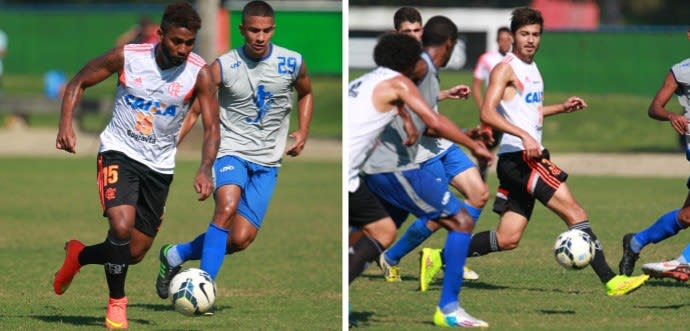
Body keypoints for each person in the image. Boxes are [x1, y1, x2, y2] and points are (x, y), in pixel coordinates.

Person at [52, 2, 219, 329]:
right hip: (119, 151)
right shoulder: (128, 57)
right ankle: (117, 304)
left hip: (159, 166)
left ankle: (79, 255)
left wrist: (204, 167)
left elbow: (212, 127)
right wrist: (65, 126)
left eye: (189, 43)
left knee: (134, 251)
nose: (183, 49)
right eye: (176, 41)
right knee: (121, 226)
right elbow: (78, 82)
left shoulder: (199, 73)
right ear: (161, 35)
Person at [471, 7, 648, 296]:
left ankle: (439, 258)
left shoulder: (531, 66)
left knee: (507, 238)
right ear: (513, 36)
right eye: (524, 34)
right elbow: (487, 113)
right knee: (576, 212)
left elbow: (528, 112)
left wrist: (561, 108)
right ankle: (612, 280)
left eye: (536, 34)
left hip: (522, 158)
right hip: (522, 158)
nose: (530, 40)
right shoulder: (506, 67)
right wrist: (523, 135)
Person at [154, 0, 314, 309]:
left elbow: (306, 92)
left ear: (273, 30)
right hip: (230, 152)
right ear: (242, 29)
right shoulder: (224, 66)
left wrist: (303, 131)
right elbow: (198, 106)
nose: (259, 37)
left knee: (240, 239)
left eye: (266, 31)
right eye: (253, 30)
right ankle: (204, 286)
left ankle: (176, 254)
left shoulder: (292, 62)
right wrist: (171, 143)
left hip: (268, 162)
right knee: (225, 208)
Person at [362, 16, 493, 328]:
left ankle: (449, 262)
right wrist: (466, 136)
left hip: (442, 144)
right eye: (406, 32)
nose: (412, 35)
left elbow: (421, 104)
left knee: (478, 194)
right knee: (439, 216)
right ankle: (396, 259)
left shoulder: (426, 65)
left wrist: (445, 100)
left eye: (416, 30)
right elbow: (402, 103)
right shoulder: (409, 65)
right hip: (419, 151)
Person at [618, 55, 690, 281]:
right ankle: (684, 262)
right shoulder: (680, 71)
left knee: (687, 217)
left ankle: (635, 242)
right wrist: (671, 116)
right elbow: (655, 107)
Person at [469, 26, 512, 181]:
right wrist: (483, 107)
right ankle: (481, 179)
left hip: (510, 113)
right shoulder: (487, 58)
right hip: (492, 112)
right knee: (486, 146)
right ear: (497, 41)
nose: (505, 42)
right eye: (502, 39)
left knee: (511, 147)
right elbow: (476, 85)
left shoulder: (515, 60)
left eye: (508, 39)